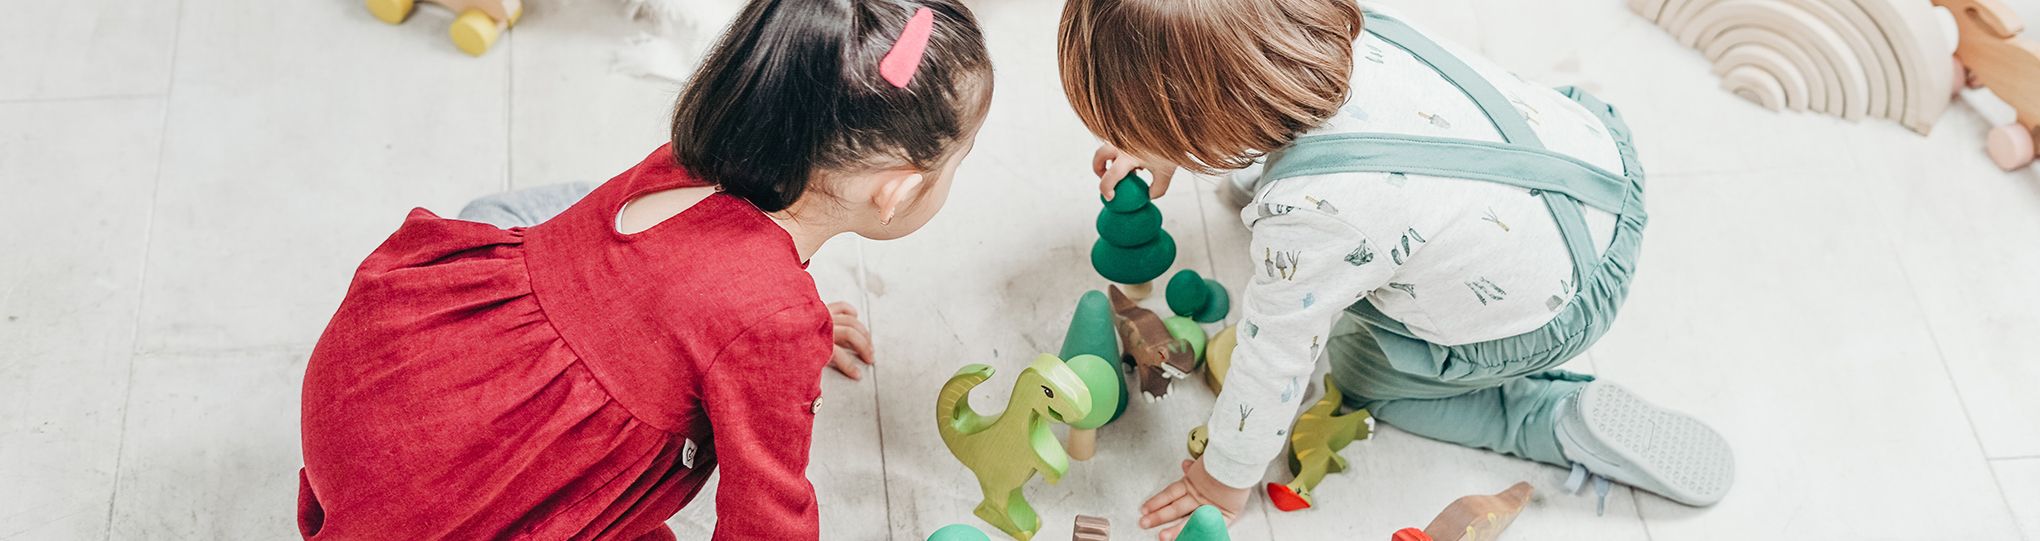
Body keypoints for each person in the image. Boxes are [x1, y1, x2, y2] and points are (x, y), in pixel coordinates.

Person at [296, 1, 992, 538]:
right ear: (896, 190)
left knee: (528, 214)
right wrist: (781, 335)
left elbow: (677, 292)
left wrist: (771, 324)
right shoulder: (775, 322)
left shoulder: (685, 163)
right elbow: (765, 513)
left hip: (368, 380)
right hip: (448, 505)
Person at [1056, 1, 1735, 537]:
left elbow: (1273, 363)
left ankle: (1547, 419)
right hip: (1595, 171)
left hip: (1557, 306)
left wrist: (1222, 481)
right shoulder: (1348, 30)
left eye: (1143, 129)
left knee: (1362, 372)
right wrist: (1171, 138)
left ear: (1194, 124)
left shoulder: (1310, 215)